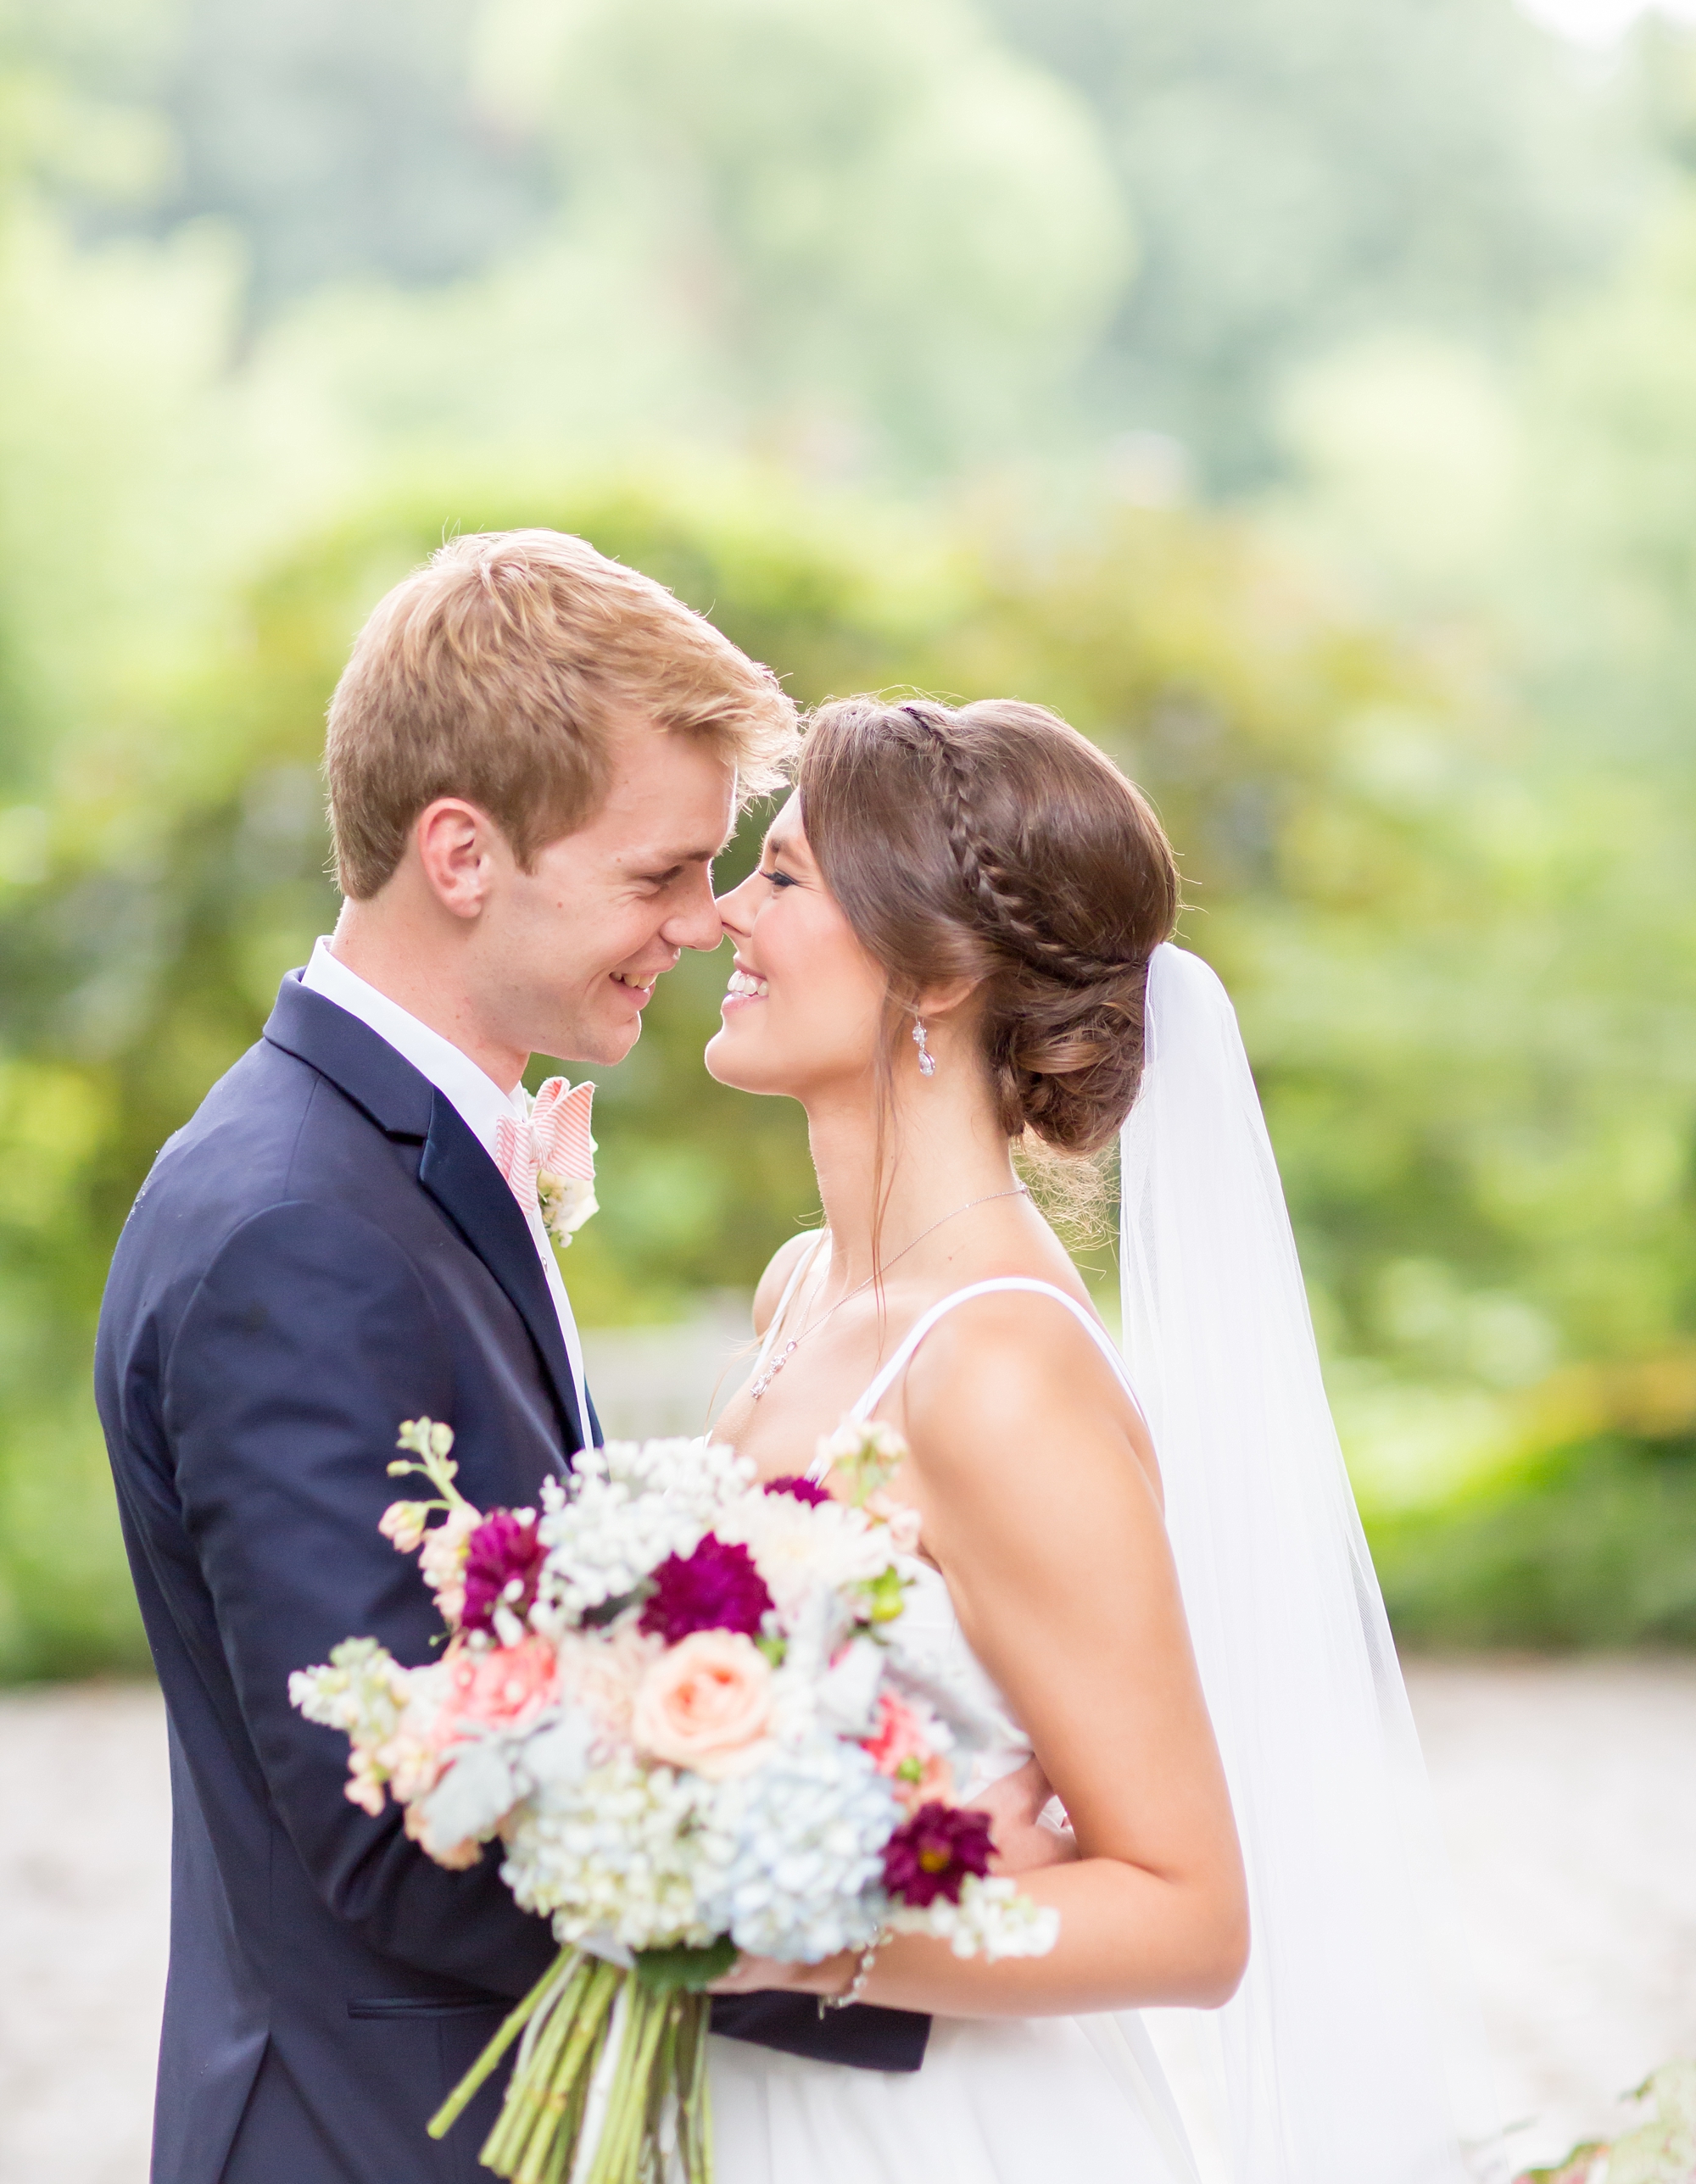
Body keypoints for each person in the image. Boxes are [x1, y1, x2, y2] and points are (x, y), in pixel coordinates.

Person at [94, 529, 801, 2184]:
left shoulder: (370, 1159)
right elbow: (395, 1835)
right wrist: (881, 1931)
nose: (699, 924)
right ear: (462, 855)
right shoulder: (298, 1230)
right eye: (656, 876)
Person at [700, 694, 1481, 2184]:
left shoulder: (995, 1366)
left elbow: (1190, 1914)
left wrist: (793, 1926)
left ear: (933, 972)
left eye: (785, 875)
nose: (725, 911)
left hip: (922, 2131)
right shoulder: (804, 1285)